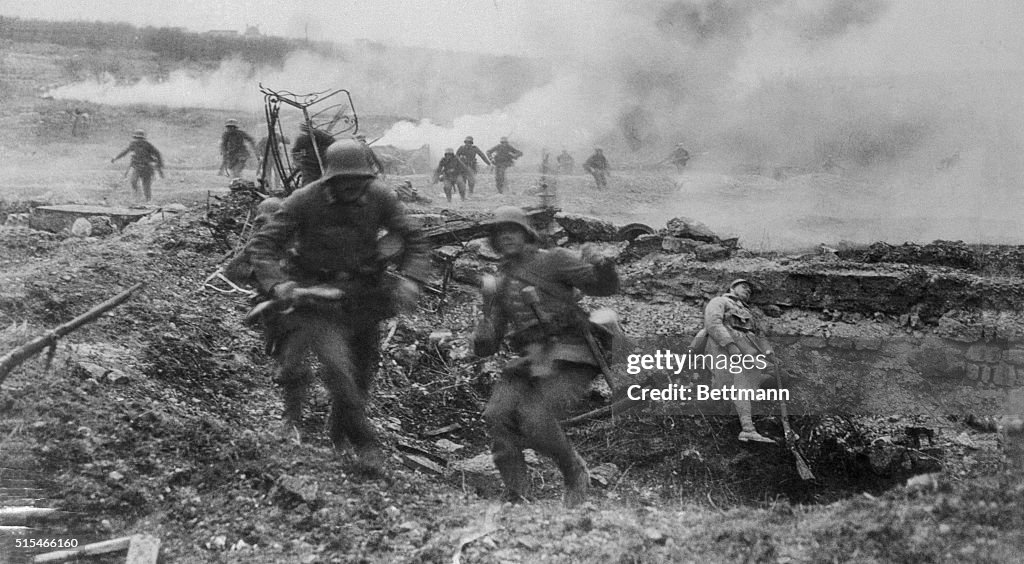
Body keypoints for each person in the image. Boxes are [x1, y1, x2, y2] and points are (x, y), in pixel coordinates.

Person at [247, 139, 428, 469]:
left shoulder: (379, 196)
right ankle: (366, 446)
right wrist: (279, 283)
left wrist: (412, 279)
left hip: (363, 296)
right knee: (337, 368)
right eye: (344, 181)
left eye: (358, 181)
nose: (352, 188)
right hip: (317, 297)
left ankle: (339, 437)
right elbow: (261, 247)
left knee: (360, 375)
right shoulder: (303, 201)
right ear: (329, 179)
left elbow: (415, 237)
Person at [473, 206, 620, 507]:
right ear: (495, 242)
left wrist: (603, 265)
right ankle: (516, 493)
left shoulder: (554, 259)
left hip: (572, 353)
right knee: (496, 415)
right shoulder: (501, 282)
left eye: (512, 230)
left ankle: (575, 473)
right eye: (500, 233)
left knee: (535, 417)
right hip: (532, 358)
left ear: (526, 234)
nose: (507, 236)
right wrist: (485, 313)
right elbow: (488, 346)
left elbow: (605, 287)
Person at [701, 279, 776, 443]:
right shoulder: (720, 302)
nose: (748, 290)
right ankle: (747, 429)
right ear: (732, 288)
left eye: (750, 289)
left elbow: (759, 335)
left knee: (778, 376)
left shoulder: (750, 314)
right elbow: (713, 323)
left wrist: (769, 352)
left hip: (750, 352)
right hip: (725, 349)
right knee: (741, 382)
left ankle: (742, 409)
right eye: (744, 286)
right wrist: (730, 346)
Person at [111, 129, 163, 202]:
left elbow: (157, 154)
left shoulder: (148, 145)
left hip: (147, 168)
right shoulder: (133, 144)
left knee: (146, 186)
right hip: (137, 167)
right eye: (137, 138)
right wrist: (115, 158)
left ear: (143, 139)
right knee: (133, 181)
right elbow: (125, 152)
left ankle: (148, 201)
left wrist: (159, 166)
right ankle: (138, 196)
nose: (139, 140)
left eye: (140, 138)